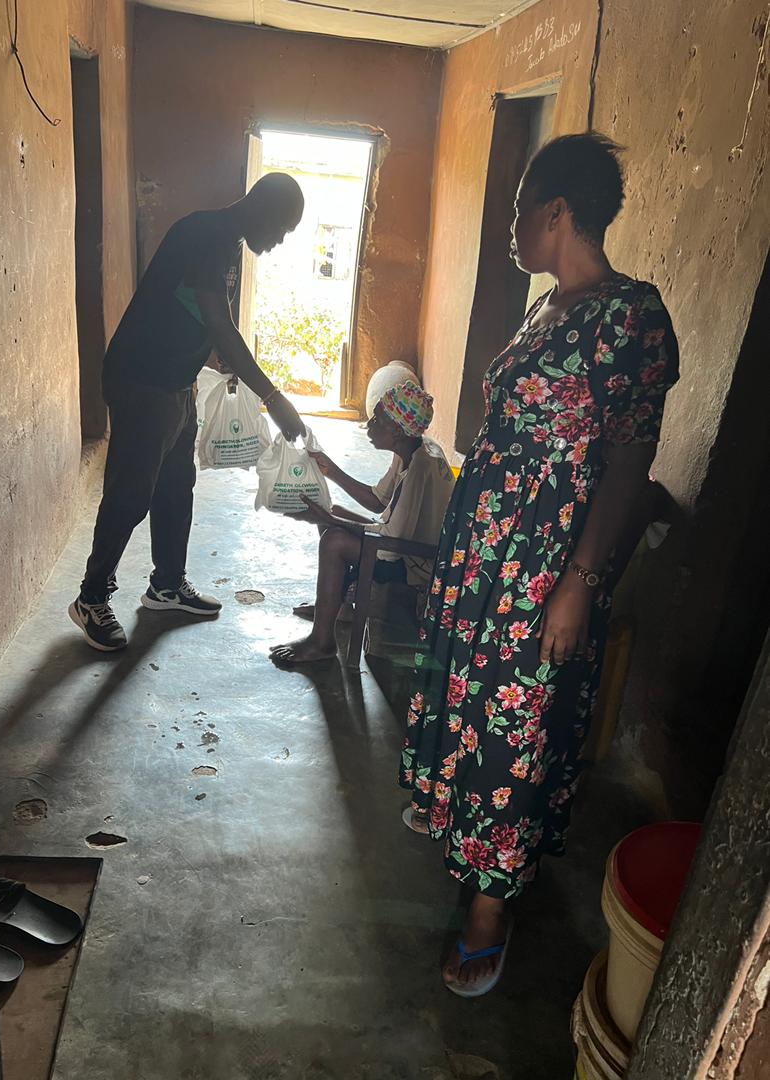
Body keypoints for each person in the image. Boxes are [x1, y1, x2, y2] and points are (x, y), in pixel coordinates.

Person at [399, 134, 679, 998]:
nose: (514, 228)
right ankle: (460, 831)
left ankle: (489, 912)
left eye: (521, 211)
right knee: (470, 706)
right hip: (486, 553)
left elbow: (629, 464)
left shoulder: (631, 316)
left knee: (513, 730)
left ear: (557, 211)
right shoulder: (546, 306)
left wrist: (578, 584)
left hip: (544, 567)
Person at [69, 173, 306, 651]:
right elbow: (219, 323)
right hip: (142, 378)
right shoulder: (205, 233)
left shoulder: (229, 243)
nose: (279, 242)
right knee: (131, 491)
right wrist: (273, 397)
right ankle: (91, 597)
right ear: (263, 209)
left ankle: (166, 585)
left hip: (176, 380)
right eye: (282, 230)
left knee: (177, 483)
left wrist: (216, 359)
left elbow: (206, 314)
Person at [270, 381, 454, 665]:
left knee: (333, 541)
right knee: (332, 512)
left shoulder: (420, 466)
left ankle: (322, 642)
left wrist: (330, 520)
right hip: (404, 544)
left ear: (397, 431)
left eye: (377, 420)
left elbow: (389, 545)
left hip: (417, 561)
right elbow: (378, 501)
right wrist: (331, 470)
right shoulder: (413, 449)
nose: (369, 425)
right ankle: (336, 606)